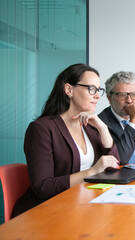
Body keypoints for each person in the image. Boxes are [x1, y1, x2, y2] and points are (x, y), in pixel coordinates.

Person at [12, 64, 120, 217]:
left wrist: (103, 128)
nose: (97, 96)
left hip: (80, 206)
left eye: (99, 90)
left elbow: (114, 164)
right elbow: (43, 186)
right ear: (69, 90)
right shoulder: (42, 129)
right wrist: (92, 171)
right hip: (46, 212)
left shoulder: (90, 127)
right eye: (91, 89)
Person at [98, 71, 135, 165]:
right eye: (122, 95)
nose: (129, 101)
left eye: (133, 94)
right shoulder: (100, 123)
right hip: (117, 176)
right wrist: (134, 121)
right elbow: (120, 160)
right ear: (109, 97)